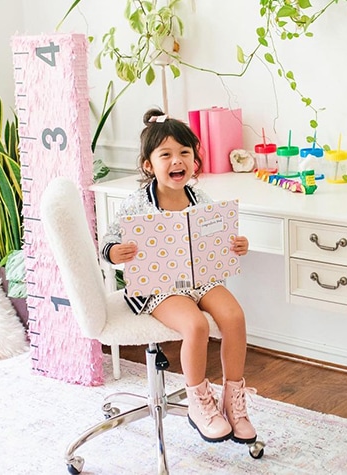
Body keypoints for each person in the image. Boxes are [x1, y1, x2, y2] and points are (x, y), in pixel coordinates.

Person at [101, 108, 256, 445]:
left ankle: (234, 403)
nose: (177, 160)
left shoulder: (199, 197)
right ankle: (199, 404)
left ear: (194, 161)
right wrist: (116, 252)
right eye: (166, 154)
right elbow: (107, 242)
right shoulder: (136, 203)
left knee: (234, 316)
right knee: (196, 326)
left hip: (199, 279)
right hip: (156, 287)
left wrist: (236, 244)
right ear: (149, 164)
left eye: (185, 153)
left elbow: (219, 236)